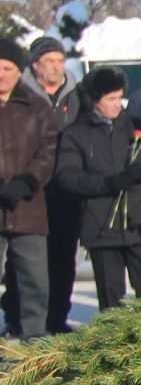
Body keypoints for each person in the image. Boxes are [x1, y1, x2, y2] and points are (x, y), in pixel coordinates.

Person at [54, 67, 141, 310]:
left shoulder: (137, 126)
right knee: (111, 299)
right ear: (94, 100)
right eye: (110, 99)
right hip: (100, 226)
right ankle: (115, 344)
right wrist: (106, 183)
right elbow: (67, 176)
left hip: (138, 224)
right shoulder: (76, 134)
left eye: (119, 97)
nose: (116, 104)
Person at [4, 36, 79, 336]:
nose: (2, 74)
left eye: (7, 67)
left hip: (32, 205)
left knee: (38, 277)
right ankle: (10, 325)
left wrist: (27, 181)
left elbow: (49, 150)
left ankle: (37, 341)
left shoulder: (38, 105)